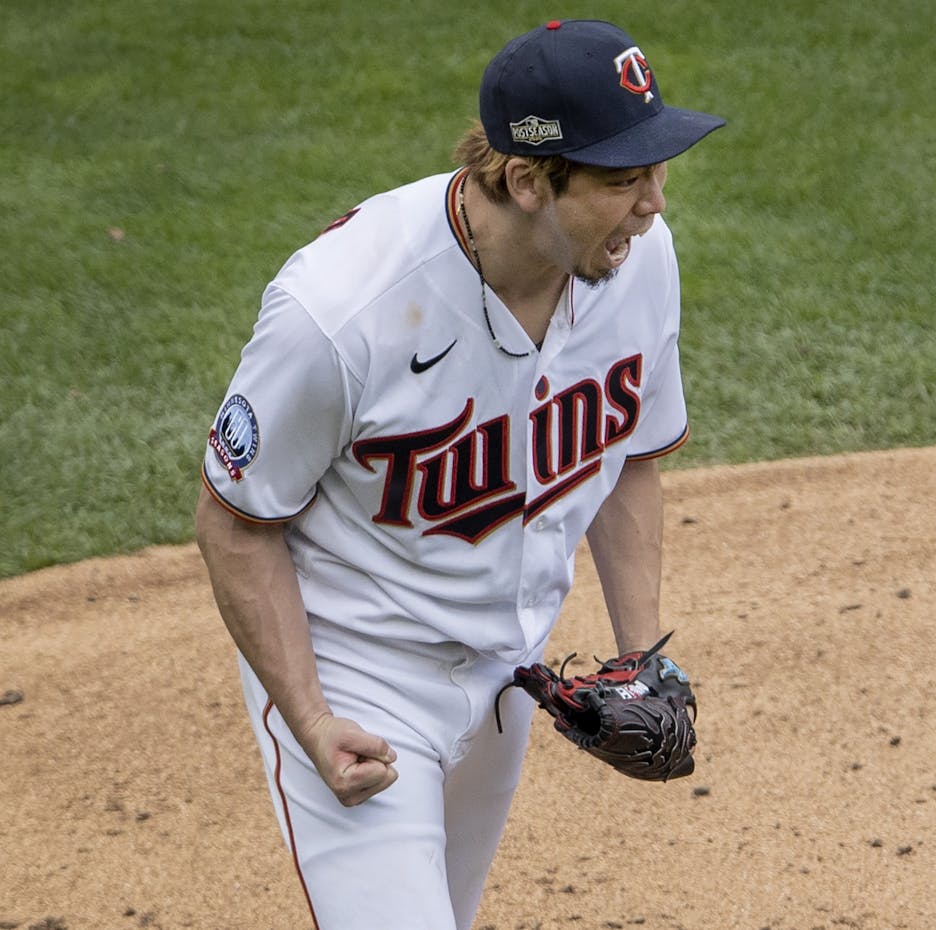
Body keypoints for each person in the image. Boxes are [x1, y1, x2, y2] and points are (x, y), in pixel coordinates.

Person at [193, 19, 723, 930]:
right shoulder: (340, 310)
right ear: (526, 179)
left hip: (511, 668)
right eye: (623, 179)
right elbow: (236, 521)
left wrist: (641, 654)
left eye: (658, 171)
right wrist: (311, 719)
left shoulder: (636, 265)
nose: (654, 204)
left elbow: (628, 459)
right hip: (360, 673)